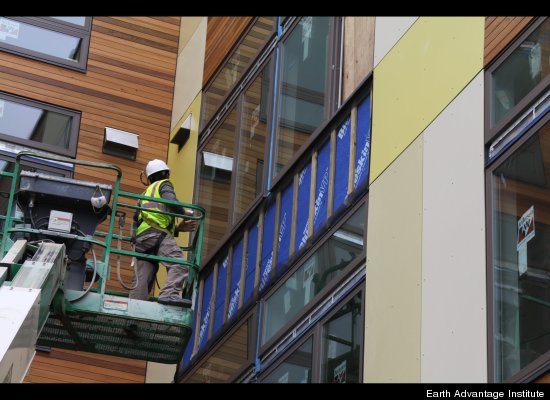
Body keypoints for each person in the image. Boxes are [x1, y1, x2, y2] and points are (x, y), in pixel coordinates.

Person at [129, 159, 197, 308]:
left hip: (141, 241)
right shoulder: (164, 184)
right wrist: (185, 213)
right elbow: (171, 201)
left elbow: (138, 219)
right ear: (166, 174)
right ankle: (169, 294)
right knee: (179, 264)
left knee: (141, 278)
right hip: (156, 235)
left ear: (149, 177)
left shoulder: (144, 195)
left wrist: (178, 229)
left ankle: (134, 311)